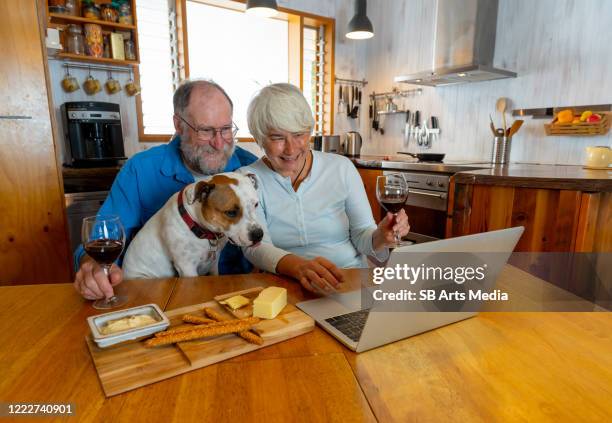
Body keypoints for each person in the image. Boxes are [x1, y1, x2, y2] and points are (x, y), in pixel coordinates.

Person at [74, 79, 258, 300]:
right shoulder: (140, 170)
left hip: (238, 295)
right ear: (179, 126)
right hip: (156, 296)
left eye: (226, 129)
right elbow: (101, 240)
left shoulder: (248, 167)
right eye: (206, 131)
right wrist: (91, 266)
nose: (219, 143)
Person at [242, 83, 410, 293]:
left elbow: (362, 235)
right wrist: (299, 267)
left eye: (299, 135)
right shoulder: (247, 180)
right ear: (258, 137)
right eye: (277, 138)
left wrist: (381, 236)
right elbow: (255, 247)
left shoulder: (341, 168)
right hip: (282, 286)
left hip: (348, 279)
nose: (291, 148)